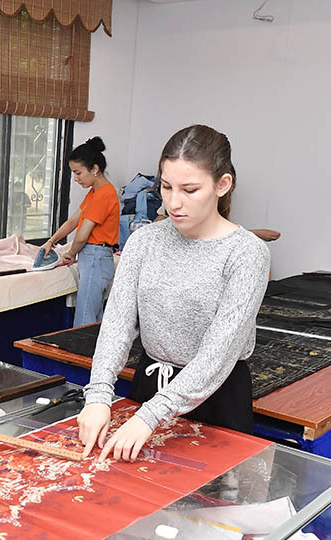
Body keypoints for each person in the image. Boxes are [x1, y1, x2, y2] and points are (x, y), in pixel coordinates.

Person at [78, 125, 270, 461]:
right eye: (166, 187)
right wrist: (98, 395)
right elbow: (117, 325)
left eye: (190, 189)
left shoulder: (246, 253)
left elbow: (219, 352)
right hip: (149, 385)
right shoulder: (144, 241)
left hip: (216, 396)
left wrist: (150, 416)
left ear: (222, 185)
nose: (173, 202)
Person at [41, 136, 119, 327]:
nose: (75, 178)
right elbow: (72, 222)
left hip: (96, 258)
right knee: (93, 318)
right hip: (92, 257)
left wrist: (70, 253)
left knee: (84, 319)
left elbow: (82, 235)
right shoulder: (94, 193)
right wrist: (51, 241)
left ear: (94, 169)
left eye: (78, 173)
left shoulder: (104, 194)